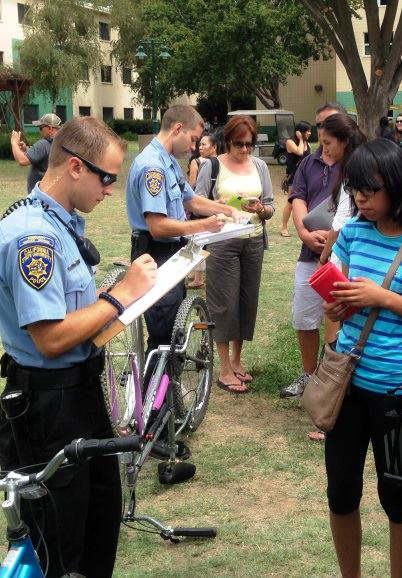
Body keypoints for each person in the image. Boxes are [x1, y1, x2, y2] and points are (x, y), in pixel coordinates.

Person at [0, 116, 157, 578]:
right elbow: (49, 339)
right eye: (106, 177)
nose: (110, 189)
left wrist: (114, 305)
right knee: (61, 542)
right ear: (74, 167)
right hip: (50, 403)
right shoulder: (36, 238)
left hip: (79, 392)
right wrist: (120, 295)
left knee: (98, 524)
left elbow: (77, 318)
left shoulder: (60, 220)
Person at [323, 138, 402, 577]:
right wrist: (337, 306)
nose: (360, 200)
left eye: (370, 191)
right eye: (354, 190)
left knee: (398, 501)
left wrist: (383, 297)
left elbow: (377, 298)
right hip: (348, 385)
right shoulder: (352, 233)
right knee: (341, 493)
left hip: (395, 388)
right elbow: (337, 295)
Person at [126, 105, 245, 360]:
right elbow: (157, 226)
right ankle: (156, 398)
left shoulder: (167, 162)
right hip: (155, 253)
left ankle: (167, 394)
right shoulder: (153, 168)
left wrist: (230, 209)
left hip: (170, 252)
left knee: (172, 332)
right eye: (192, 139)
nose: (193, 147)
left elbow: (191, 201)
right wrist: (205, 225)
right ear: (177, 128)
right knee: (163, 338)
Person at [196, 115, 274, 393]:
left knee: (246, 302)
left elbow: (271, 206)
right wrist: (217, 205)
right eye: (239, 144)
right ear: (227, 141)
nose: (244, 150)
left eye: (249, 144)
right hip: (222, 242)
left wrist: (261, 210)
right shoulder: (212, 165)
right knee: (224, 304)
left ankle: (237, 361)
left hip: (253, 241)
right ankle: (224, 369)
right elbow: (196, 203)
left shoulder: (260, 166)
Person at [305, 112, 367, 442]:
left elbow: (339, 223)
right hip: (356, 259)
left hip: (346, 261)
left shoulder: (352, 172)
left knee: (337, 342)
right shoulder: (362, 163)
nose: (323, 150)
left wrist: (324, 259)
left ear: (344, 141)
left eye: (328, 143)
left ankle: (330, 415)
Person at [280, 102, 347, 399]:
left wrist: (332, 241)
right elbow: (298, 198)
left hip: (343, 255)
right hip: (311, 254)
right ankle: (309, 376)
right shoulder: (308, 161)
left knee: (338, 321)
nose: (322, 130)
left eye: (329, 124)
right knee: (304, 318)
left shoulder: (356, 162)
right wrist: (305, 234)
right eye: (319, 125)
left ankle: (332, 385)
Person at [10, 113, 62, 194]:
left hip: (39, 197)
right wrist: (26, 150)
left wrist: (13, 143)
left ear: (50, 128)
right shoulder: (62, 144)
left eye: (41, 128)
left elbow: (22, 161)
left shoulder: (43, 144)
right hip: (53, 194)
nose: (40, 131)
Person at [280, 121, 311, 238]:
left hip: (306, 176)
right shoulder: (290, 142)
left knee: (306, 202)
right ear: (300, 132)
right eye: (307, 131)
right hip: (294, 176)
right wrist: (301, 139)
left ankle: (306, 226)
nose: (309, 133)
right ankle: (284, 227)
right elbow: (299, 152)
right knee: (291, 202)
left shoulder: (307, 143)